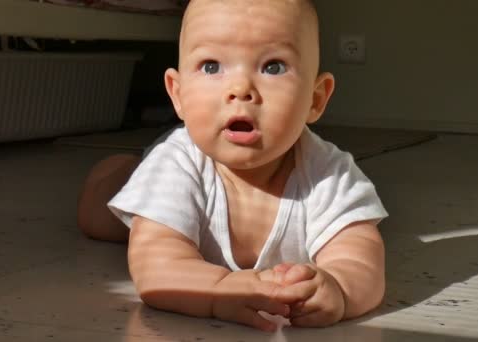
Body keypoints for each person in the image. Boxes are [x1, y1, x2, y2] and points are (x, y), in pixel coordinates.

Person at [77, 0, 388, 332]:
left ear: (316, 99)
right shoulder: (175, 164)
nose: (240, 89)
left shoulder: (329, 172)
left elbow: (360, 256)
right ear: (177, 94)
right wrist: (218, 289)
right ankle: (124, 170)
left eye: (273, 67)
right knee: (102, 218)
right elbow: (156, 265)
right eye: (211, 66)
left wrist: (339, 287)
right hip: (165, 175)